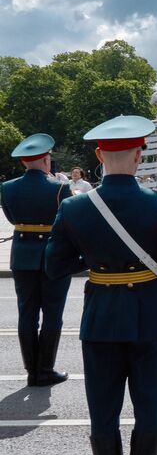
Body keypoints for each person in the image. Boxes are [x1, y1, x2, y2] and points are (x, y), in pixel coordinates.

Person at [44, 115, 157, 455]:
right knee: (150, 410)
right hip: (151, 319)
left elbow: (54, 267)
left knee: (103, 414)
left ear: (98, 155)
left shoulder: (73, 206)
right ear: (140, 153)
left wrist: (97, 263)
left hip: (101, 320)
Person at [2, 132, 73, 387]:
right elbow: (67, 220)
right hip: (53, 255)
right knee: (53, 314)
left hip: (22, 256)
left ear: (23, 162)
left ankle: (32, 370)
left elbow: (12, 219)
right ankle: (45, 369)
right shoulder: (60, 188)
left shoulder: (8, 187)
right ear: (46, 159)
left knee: (27, 313)